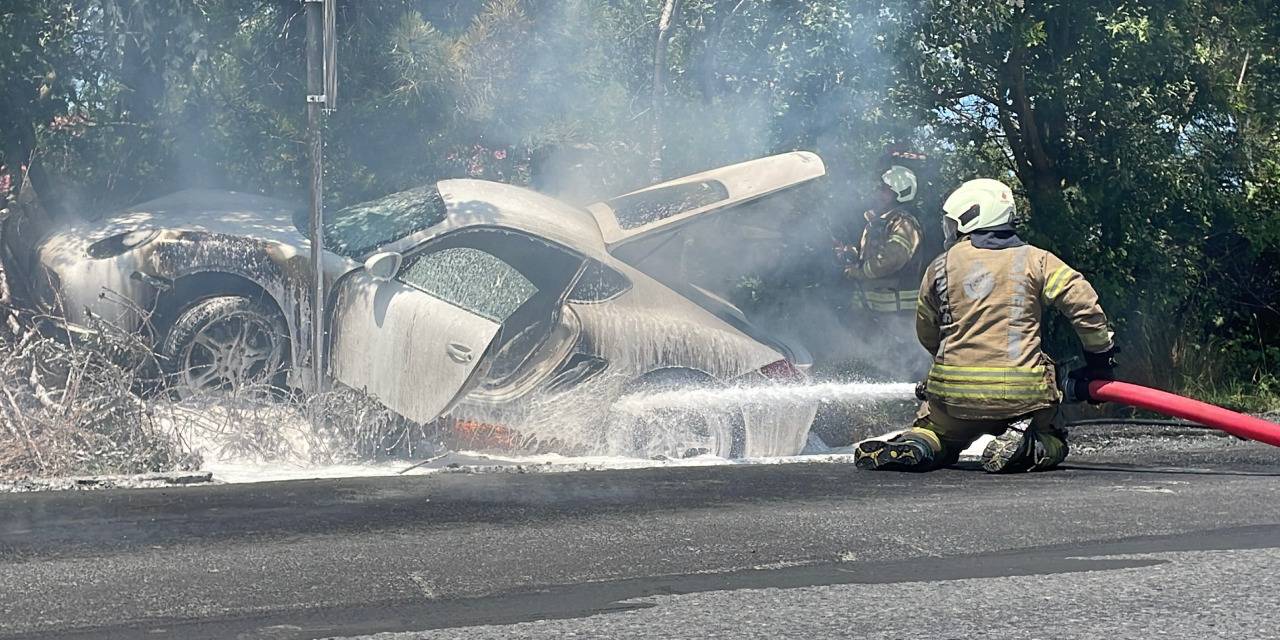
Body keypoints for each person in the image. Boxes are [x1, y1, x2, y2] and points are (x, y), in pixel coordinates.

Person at [853, 178, 1118, 473]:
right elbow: (1084, 306)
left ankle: (920, 444)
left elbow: (926, 331)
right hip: (1022, 398)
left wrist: (951, 361)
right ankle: (1029, 445)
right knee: (1055, 438)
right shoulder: (1038, 260)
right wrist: (1099, 361)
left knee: (935, 431)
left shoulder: (941, 265)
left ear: (971, 217)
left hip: (953, 398)